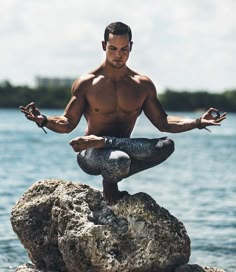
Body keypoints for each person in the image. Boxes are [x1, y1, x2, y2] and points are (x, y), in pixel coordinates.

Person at [20, 22, 226, 203]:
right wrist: (44, 120)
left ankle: (107, 153)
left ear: (131, 47)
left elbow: (163, 123)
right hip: (90, 154)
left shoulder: (141, 85)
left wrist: (198, 121)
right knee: (118, 160)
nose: (119, 55)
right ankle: (109, 170)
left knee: (165, 146)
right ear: (103, 46)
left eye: (124, 49)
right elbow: (67, 123)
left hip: (122, 150)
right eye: (113, 48)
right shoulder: (88, 83)